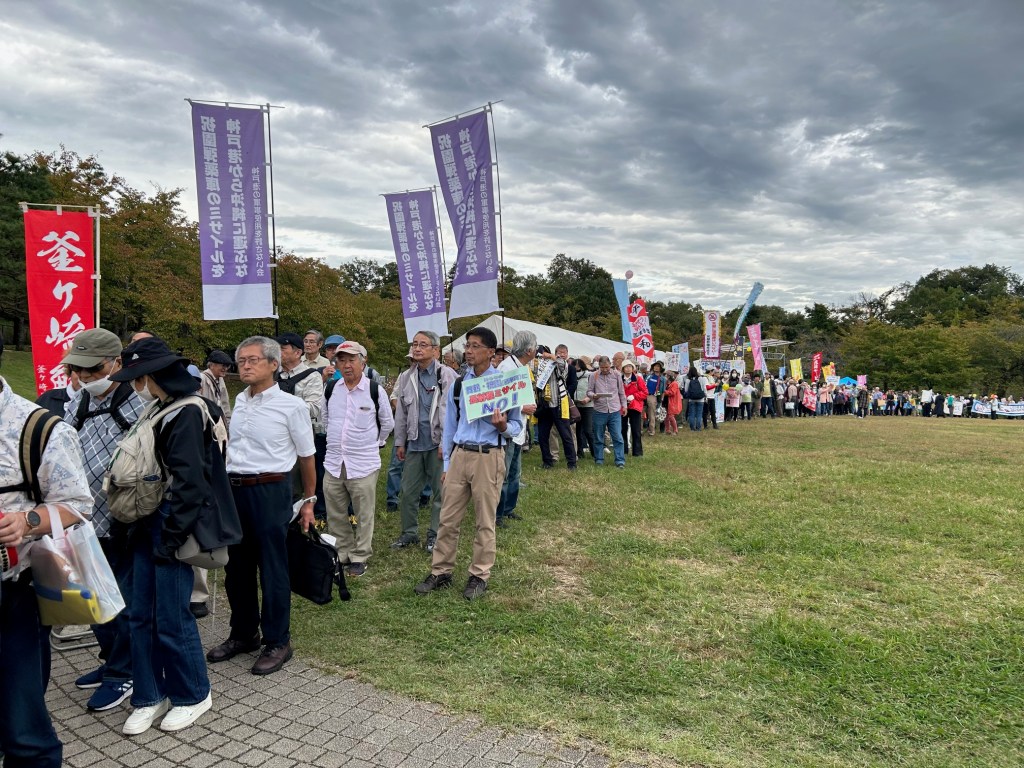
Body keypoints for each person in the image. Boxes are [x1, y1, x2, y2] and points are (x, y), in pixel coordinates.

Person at [108, 337, 239, 735]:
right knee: (140, 615)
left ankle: (193, 694)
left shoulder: (186, 412)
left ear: (152, 376)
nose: (135, 386)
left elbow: (190, 484)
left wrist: (170, 538)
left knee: (170, 616)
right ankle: (149, 695)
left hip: (170, 523)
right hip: (147, 521)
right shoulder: (160, 406)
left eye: (137, 378)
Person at [206, 336, 316, 676]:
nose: (245, 366)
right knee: (236, 567)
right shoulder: (241, 400)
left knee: (272, 568)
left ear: (273, 364)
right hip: (235, 491)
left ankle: (278, 641)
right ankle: (244, 633)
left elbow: (307, 456)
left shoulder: (291, 406)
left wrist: (309, 500)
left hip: (271, 490)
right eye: (241, 361)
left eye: (253, 360)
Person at [0, 375, 93, 767]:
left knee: (23, 729)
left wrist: (27, 520)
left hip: (12, 595)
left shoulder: (38, 428)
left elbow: (78, 506)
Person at [61, 329, 146, 712]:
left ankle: (124, 673)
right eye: (77, 369)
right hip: (81, 521)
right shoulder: (77, 402)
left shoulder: (138, 403)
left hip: (124, 522)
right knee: (92, 599)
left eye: (93, 369)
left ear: (116, 363)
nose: (84, 377)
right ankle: (110, 659)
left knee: (121, 601)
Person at [415, 327, 523, 600]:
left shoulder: (505, 385)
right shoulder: (459, 384)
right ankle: (441, 571)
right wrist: (447, 464)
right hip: (460, 455)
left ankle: (479, 575)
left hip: (489, 456)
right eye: (468, 346)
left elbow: (517, 425)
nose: (469, 351)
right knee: (447, 518)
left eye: (475, 346)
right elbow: (450, 427)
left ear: (491, 352)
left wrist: (502, 427)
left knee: (485, 521)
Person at [322, 340, 394, 576]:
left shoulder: (374, 390)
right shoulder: (332, 389)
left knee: (364, 513)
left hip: (363, 464)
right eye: (341, 360)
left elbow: (387, 423)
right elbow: (325, 418)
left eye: (351, 360)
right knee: (335, 512)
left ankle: (360, 555)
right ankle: (342, 552)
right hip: (334, 462)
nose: (346, 365)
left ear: (363, 362)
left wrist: (376, 443)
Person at [391, 331, 455, 552]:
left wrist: (445, 444)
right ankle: (409, 533)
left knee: (440, 493)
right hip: (415, 443)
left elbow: (451, 412)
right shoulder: (406, 377)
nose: (417, 349)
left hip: (438, 444)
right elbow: (401, 412)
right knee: (408, 492)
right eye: (415, 344)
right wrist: (400, 442)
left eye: (423, 345)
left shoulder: (446, 375)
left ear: (435, 350)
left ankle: (435, 535)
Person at [496, 331, 539, 525]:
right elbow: (499, 397)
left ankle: (508, 508)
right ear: (529, 350)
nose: (536, 350)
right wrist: (522, 407)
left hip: (519, 428)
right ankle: (497, 513)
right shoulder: (507, 367)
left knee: (515, 472)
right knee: (503, 473)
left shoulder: (521, 366)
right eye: (535, 347)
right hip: (508, 429)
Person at [535, 345, 578, 470]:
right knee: (543, 436)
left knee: (566, 434)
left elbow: (561, 364)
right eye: (559, 352)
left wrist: (550, 356)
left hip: (558, 404)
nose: (562, 355)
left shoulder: (561, 364)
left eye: (564, 353)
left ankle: (572, 462)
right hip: (544, 405)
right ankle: (547, 461)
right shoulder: (540, 367)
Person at [587, 355, 627, 468]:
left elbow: (621, 392)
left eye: (607, 367)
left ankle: (620, 460)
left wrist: (624, 406)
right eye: (602, 367)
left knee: (617, 437)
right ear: (599, 366)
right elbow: (589, 391)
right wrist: (593, 395)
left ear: (610, 365)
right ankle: (599, 459)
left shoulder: (617, 375)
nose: (605, 369)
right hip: (599, 410)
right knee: (598, 437)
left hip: (614, 410)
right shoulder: (593, 375)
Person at [199, 350, 233, 430]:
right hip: (204, 425)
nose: (225, 368)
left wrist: (228, 425)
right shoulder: (201, 378)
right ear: (211, 365)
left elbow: (225, 404)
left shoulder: (220, 380)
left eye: (227, 366)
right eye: (223, 365)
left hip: (217, 425)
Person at [621, 361, 645, 457]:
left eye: (630, 366)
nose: (628, 368)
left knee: (636, 430)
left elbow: (644, 392)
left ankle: (637, 452)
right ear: (623, 369)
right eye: (626, 367)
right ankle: (623, 450)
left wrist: (634, 396)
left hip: (635, 406)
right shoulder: (619, 379)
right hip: (622, 406)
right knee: (622, 429)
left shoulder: (638, 379)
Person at [573, 357, 595, 455]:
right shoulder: (571, 376)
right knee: (577, 430)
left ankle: (594, 451)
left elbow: (594, 389)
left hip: (588, 406)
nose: (576, 367)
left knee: (588, 430)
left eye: (578, 365)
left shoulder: (590, 376)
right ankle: (579, 451)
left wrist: (588, 399)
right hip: (576, 405)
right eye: (575, 365)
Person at [645, 361, 666, 436]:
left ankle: (651, 430)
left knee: (652, 414)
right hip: (644, 395)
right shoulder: (649, 376)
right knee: (642, 413)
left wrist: (661, 400)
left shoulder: (662, 379)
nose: (656, 367)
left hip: (653, 396)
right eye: (655, 366)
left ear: (661, 368)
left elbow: (663, 390)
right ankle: (640, 430)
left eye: (658, 366)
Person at [684, 366, 705, 431]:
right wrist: (705, 396)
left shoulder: (688, 380)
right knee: (699, 414)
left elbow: (686, 390)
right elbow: (704, 388)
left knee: (692, 414)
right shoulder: (701, 379)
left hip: (691, 399)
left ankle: (692, 428)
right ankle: (698, 428)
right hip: (700, 399)